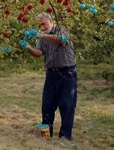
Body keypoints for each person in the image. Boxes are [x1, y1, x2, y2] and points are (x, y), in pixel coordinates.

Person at [20, 12, 77, 141]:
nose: (42, 27)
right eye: (40, 25)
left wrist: (42, 35)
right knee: (47, 104)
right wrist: (28, 47)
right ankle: (46, 134)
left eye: (44, 24)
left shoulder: (63, 30)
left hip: (67, 72)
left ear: (51, 22)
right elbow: (39, 53)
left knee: (67, 104)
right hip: (51, 72)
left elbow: (61, 39)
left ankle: (65, 136)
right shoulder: (42, 37)